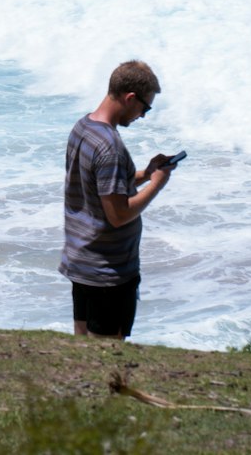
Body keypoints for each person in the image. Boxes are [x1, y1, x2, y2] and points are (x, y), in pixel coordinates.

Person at [59, 59, 177, 340]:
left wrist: (147, 174)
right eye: (145, 107)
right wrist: (157, 185)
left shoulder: (83, 127)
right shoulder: (109, 146)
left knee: (82, 351)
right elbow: (119, 214)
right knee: (107, 357)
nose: (143, 115)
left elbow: (100, 185)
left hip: (82, 261)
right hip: (108, 271)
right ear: (130, 98)